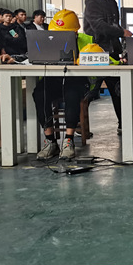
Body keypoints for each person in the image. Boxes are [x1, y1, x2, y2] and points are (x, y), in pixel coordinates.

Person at [33, 9, 93, 160]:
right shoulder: (47, 41)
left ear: (75, 32)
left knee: (72, 95)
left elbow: (100, 59)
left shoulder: (87, 41)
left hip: (77, 80)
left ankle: (68, 140)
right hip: (53, 80)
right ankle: (50, 141)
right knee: (39, 94)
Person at [83, 0, 133, 135]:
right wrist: (121, 32)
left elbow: (113, 25)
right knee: (90, 91)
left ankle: (123, 123)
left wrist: (122, 39)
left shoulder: (111, 1)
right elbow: (98, 25)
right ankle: (77, 122)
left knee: (118, 89)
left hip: (111, 53)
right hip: (96, 52)